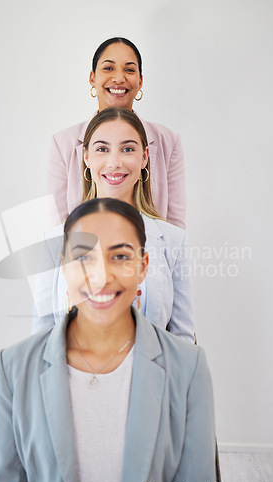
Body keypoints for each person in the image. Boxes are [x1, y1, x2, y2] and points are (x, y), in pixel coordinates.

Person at [0, 198, 217, 482]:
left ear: (143, 266)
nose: (101, 277)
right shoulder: (13, 368)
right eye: (84, 257)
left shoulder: (188, 367)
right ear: (63, 266)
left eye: (120, 256)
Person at [32, 108, 194, 342]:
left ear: (145, 157)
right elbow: (41, 341)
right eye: (102, 149)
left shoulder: (173, 241)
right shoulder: (54, 240)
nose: (114, 162)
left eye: (128, 149)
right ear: (86, 157)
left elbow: (183, 340)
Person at [48, 37, 186, 228]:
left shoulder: (168, 141)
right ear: (92, 78)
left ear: (140, 81)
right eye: (108, 68)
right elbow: (57, 230)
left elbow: (175, 228)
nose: (119, 78)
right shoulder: (62, 143)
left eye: (129, 69)